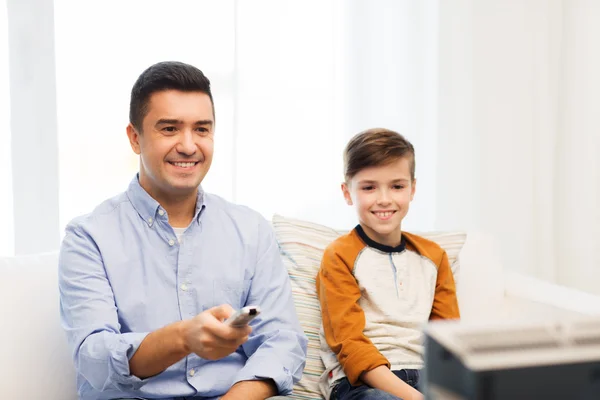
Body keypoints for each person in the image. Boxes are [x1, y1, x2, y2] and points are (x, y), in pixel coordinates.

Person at [59, 61, 307, 400]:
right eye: (170, 129)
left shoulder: (251, 230)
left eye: (201, 129)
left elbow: (283, 340)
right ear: (135, 138)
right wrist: (182, 338)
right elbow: (95, 357)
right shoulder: (88, 238)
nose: (189, 145)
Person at [316, 128, 460, 400]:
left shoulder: (434, 256)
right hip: (362, 383)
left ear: (412, 189)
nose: (384, 199)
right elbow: (350, 346)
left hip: (427, 377)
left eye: (397, 186)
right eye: (369, 187)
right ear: (347, 193)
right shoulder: (339, 255)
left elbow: (447, 340)